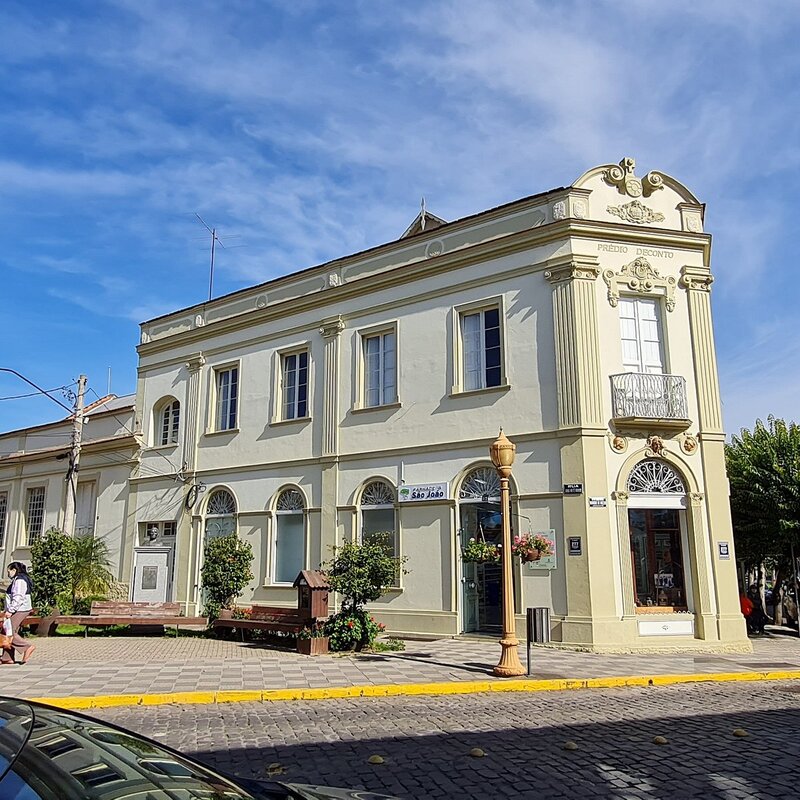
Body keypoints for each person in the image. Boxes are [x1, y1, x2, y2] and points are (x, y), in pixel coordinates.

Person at [1, 562, 35, 665]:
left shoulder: (20, 580)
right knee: (7, 630)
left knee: (8, 631)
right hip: (19, 608)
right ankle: (7, 657)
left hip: (20, 609)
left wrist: (10, 611)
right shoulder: (18, 579)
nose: (8, 573)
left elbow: (18, 596)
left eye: (9, 571)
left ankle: (27, 647)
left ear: (14, 570)